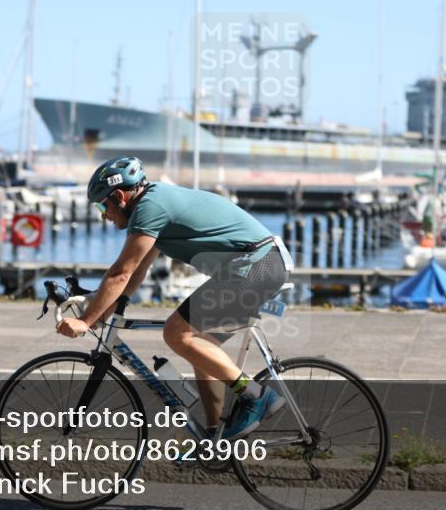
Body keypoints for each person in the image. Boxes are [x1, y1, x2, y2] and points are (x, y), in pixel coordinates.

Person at [56, 156, 290, 440]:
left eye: (102, 206)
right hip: (263, 264)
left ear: (119, 196)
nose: (104, 215)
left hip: (257, 265)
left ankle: (256, 396)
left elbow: (121, 273)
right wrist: (102, 306)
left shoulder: (149, 208)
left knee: (177, 332)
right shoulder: (153, 204)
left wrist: (86, 320)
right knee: (201, 348)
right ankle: (215, 439)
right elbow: (137, 271)